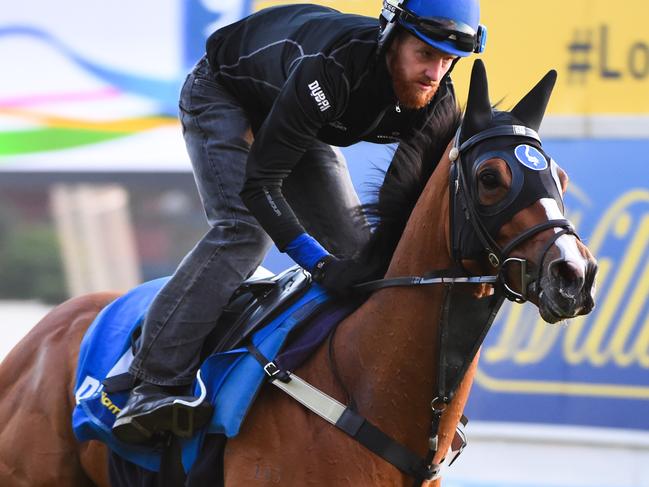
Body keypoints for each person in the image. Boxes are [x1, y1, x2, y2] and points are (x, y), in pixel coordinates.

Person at [112, 0, 487, 444]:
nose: (435, 72)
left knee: (360, 254)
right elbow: (260, 187)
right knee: (244, 232)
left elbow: (399, 214)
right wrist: (316, 261)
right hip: (224, 91)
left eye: (448, 61)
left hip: (296, 115)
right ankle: (150, 382)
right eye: (425, 54)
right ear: (391, 37)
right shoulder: (330, 71)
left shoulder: (435, 101)